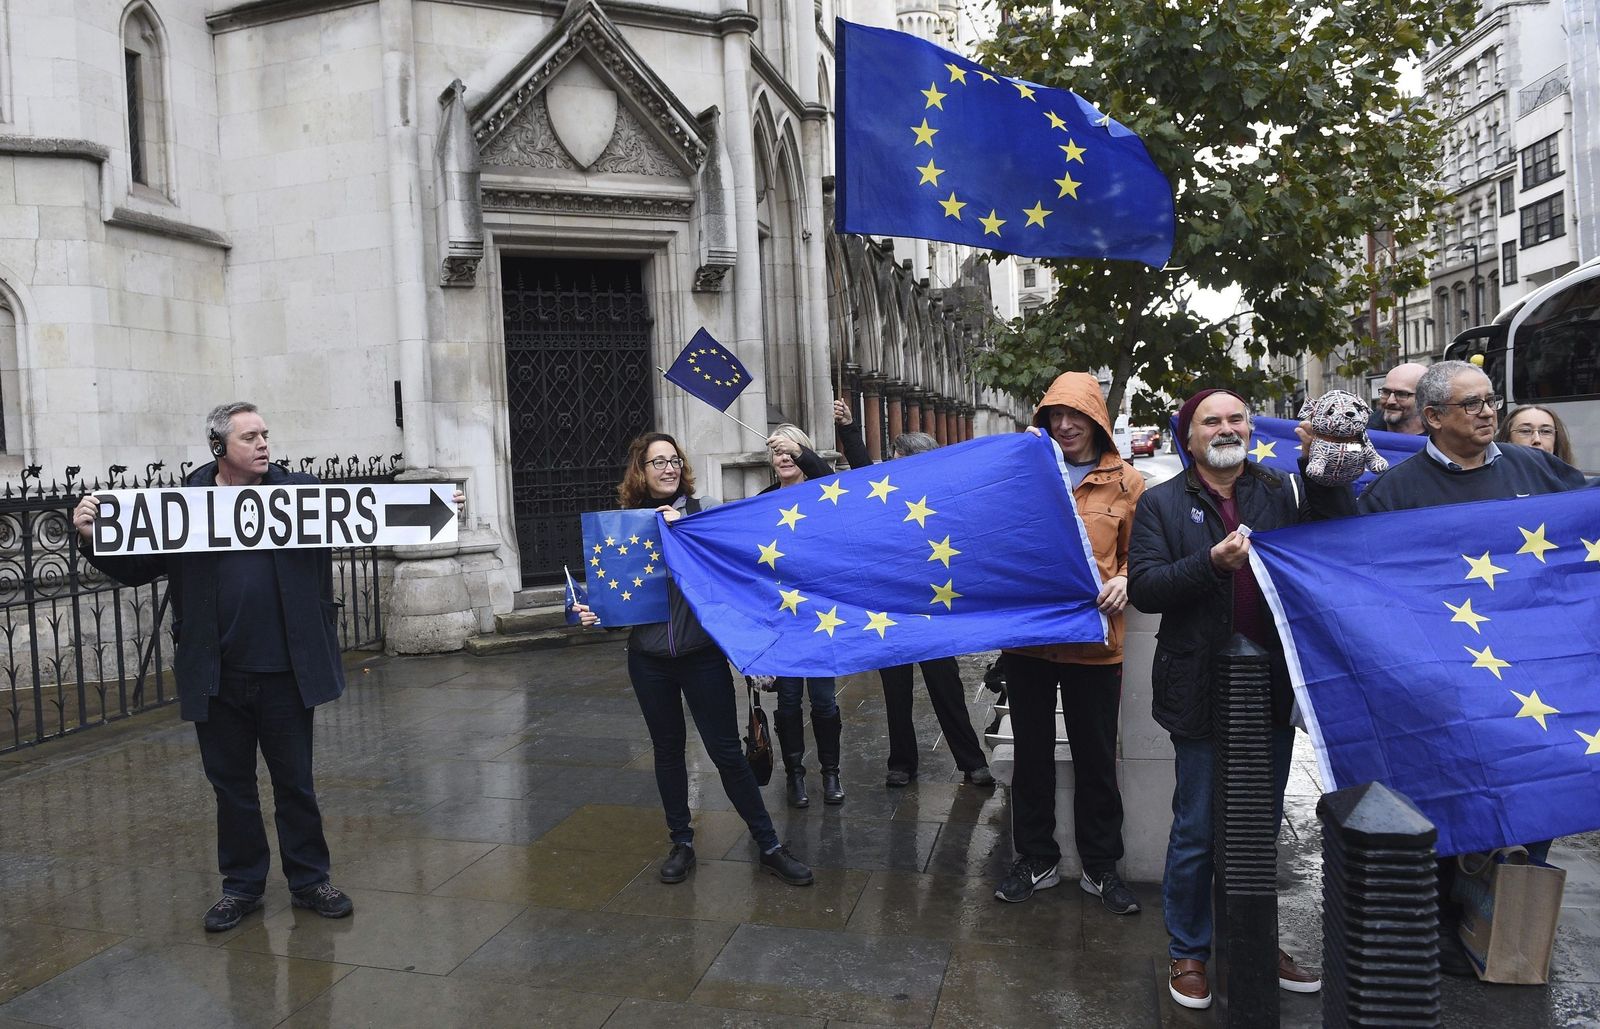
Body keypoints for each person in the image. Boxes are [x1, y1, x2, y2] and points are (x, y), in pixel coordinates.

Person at [71, 402, 358, 933]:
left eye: (266, 434)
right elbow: (137, 566)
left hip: (286, 672)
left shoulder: (302, 495)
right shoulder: (184, 503)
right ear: (219, 447)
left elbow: (373, 518)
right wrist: (91, 536)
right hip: (219, 673)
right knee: (232, 788)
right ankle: (242, 887)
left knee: (295, 782)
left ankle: (310, 880)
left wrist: (433, 507)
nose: (264, 444)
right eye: (251, 437)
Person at [1356, 362, 1586, 976]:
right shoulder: (1394, 493)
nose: (1488, 413)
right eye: (1471, 405)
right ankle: (1438, 933)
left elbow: (1582, 530)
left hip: (1529, 675)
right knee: (1446, 800)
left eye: (1491, 402)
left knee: (1531, 791)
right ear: (1432, 418)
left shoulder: (1533, 469)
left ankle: (1504, 927)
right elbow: (1369, 589)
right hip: (1446, 684)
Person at [1128, 388, 1350, 1010]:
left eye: (1236, 418)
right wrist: (1212, 563)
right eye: (1211, 421)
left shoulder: (1282, 488)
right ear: (1189, 436)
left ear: (1249, 429)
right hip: (1198, 687)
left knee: (1256, 829)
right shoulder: (1162, 502)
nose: (1226, 428)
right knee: (1197, 826)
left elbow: (1332, 545)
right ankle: (1189, 951)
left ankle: (1254, 942)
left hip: (1272, 688)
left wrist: (1327, 471)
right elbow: (1146, 588)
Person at [574, 433, 813, 886]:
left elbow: (731, 577)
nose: (667, 468)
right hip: (648, 660)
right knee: (667, 752)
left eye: (673, 459)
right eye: (656, 461)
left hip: (700, 656)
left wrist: (679, 530)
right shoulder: (620, 527)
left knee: (726, 753)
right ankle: (681, 842)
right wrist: (591, 610)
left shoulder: (704, 515)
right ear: (640, 471)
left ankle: (769, 845)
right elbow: (612, 602)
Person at [992, 373, 1143, 917]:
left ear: (1097, 419)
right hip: (1030, 644)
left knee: (1096, 759)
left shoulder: (1128, 483)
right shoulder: (1024, 477)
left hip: (1096, 648)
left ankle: (1102, 867)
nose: (1064, 425)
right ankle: (1035, 859)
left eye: (1075, 415)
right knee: (1030, 757)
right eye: (1055, 416)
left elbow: (1138, 557)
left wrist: (1126, 579)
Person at [834, 415, 995, 790]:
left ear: (909, 459)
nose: (888, 465)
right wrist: (848, 427)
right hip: (892, 611)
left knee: (947, 689)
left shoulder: (946, 495)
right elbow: (860, 470)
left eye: (894, 458)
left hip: (933, 612)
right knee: (896, 692)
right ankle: (902, 764)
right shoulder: (888, 494)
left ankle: (972, 763)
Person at [761, 421, 846, 808]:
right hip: (782, 621)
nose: (784, 458)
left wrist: (799, 451)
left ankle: (831, 774)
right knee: (788, 703)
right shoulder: (761, 500)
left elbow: (830, 478)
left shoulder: (821, 492)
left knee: (824, 702)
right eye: (777, 452)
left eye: (792, 451)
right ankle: (795, 776)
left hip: (820, 617)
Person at [1496, 403, 1575, 466]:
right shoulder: (1494, 483)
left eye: (1546, 431)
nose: (1537, 440)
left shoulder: (1575, 483)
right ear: (1508, 439)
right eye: (1525, 431)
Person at [1366, 361, 1428, 434]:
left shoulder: (1441, 439)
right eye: (1386, 392)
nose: (1390, 401)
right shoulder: (1360, 435)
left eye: (1401, 394)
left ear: (1423, 398)